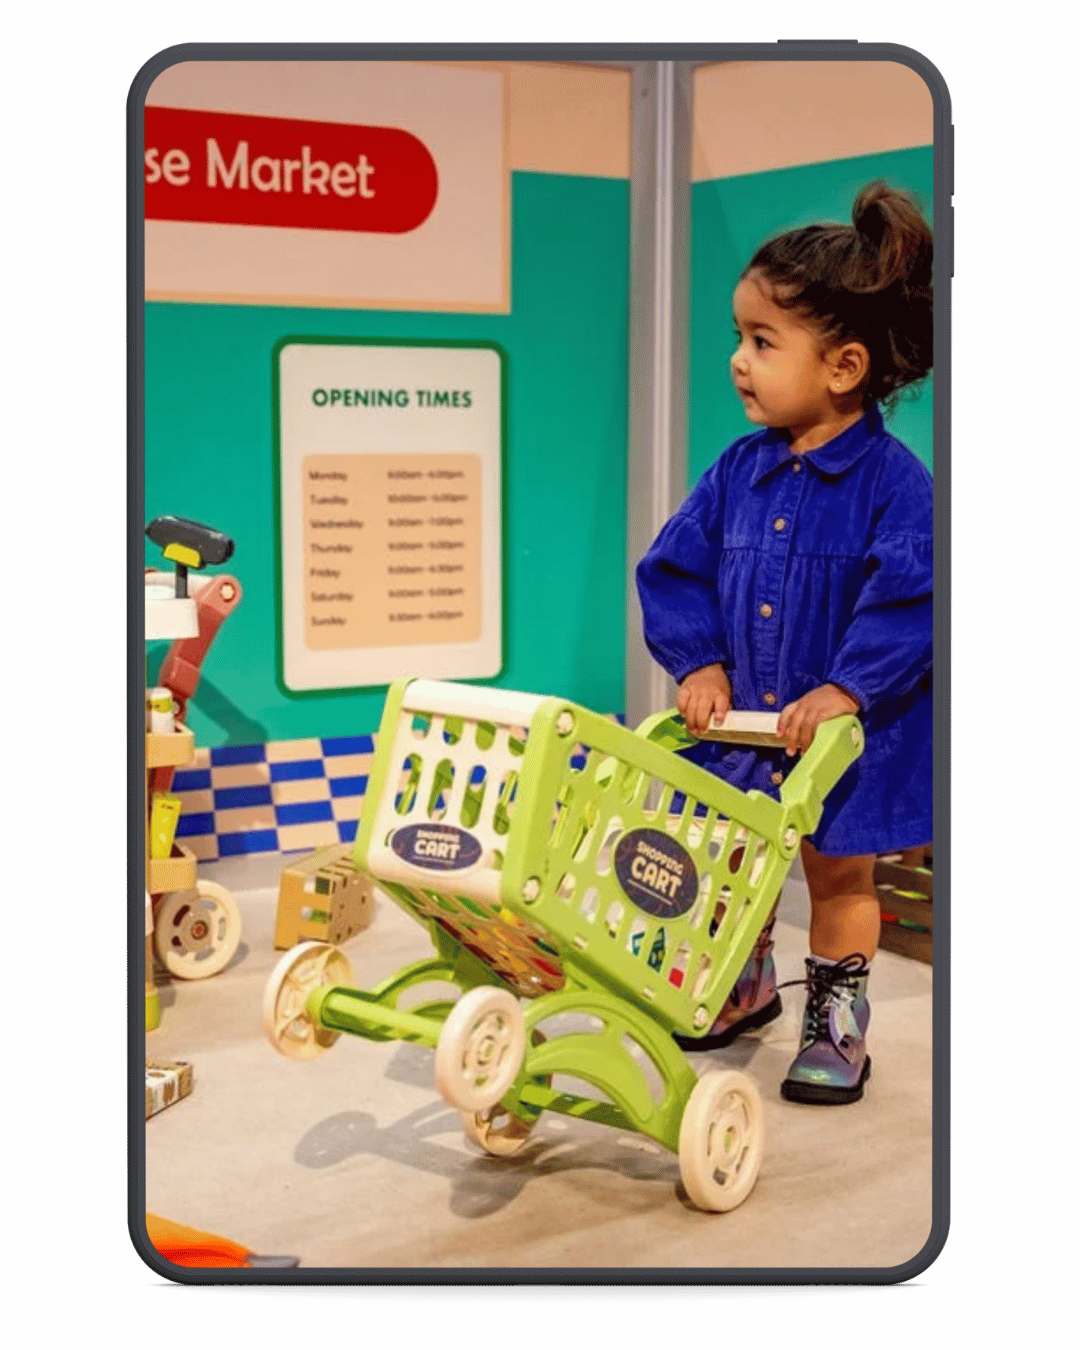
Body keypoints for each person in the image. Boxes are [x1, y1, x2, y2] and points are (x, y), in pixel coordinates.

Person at [636, 181, 933, 1106]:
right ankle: (746, 979)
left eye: (762, 342)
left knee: (837, 875)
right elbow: (673, 569)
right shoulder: (736, 470)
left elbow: (912, 602)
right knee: (732, 858)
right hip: (746, 727)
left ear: (843, 367)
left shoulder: (895, 484)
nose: (738, 360)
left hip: (847, 736)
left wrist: (847, 688)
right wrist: (698, 662)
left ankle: (836, 1026)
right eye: (739, 337)